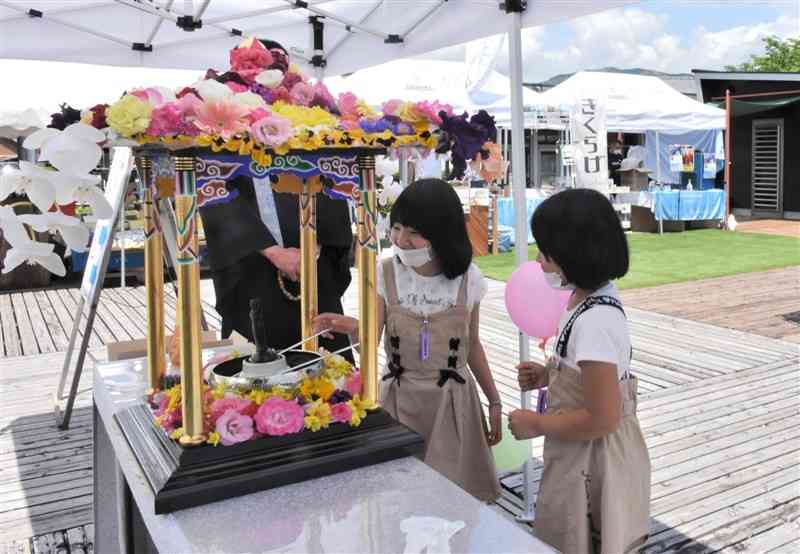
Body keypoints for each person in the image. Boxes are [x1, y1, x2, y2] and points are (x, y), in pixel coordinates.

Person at [313, 178, 503, 502]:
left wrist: (495, 401)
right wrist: (354, 327)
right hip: (399, 403)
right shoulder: (386, 272)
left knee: (453, 505)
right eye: (397, 228)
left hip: (453, 403)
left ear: (442, 232)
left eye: (414, 232)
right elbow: (369, 344)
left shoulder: (469, 279)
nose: (402, 240)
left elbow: (472, 346)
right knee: (398, 500)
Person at [508, 188, 651, 554]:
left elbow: (603, 417)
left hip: (593, 459)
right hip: (577, 449)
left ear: (575, 253)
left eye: (546, 253)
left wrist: (535, 424)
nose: (539, 261)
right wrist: (549, 375)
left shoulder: (596, 321)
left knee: (579, 537)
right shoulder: (585, 298)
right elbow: (587, 372)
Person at [197, 39, 353, 359]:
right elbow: (215, 191)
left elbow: (330, 180)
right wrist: (273, 251)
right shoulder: (223, 125)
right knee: (256, 367)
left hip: (313, 265)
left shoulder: (308, 116)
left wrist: (315, 246)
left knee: (326, 363)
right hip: (252, 263)